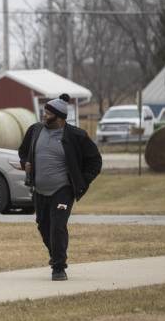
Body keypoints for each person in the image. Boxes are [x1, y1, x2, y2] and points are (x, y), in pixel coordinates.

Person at [18, 94, 102, 281]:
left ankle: (58, 267)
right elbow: (23, 152)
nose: (44, 116)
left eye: (48, 113)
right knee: (44, 226)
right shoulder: (35, 130)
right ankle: (56, 254)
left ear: (60, 118)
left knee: (57, 226)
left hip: (62, 190)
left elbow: (95, 161)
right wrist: (26, 164)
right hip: (39, 189)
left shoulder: (76, 135)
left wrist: (80, 182)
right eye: (45, 112)